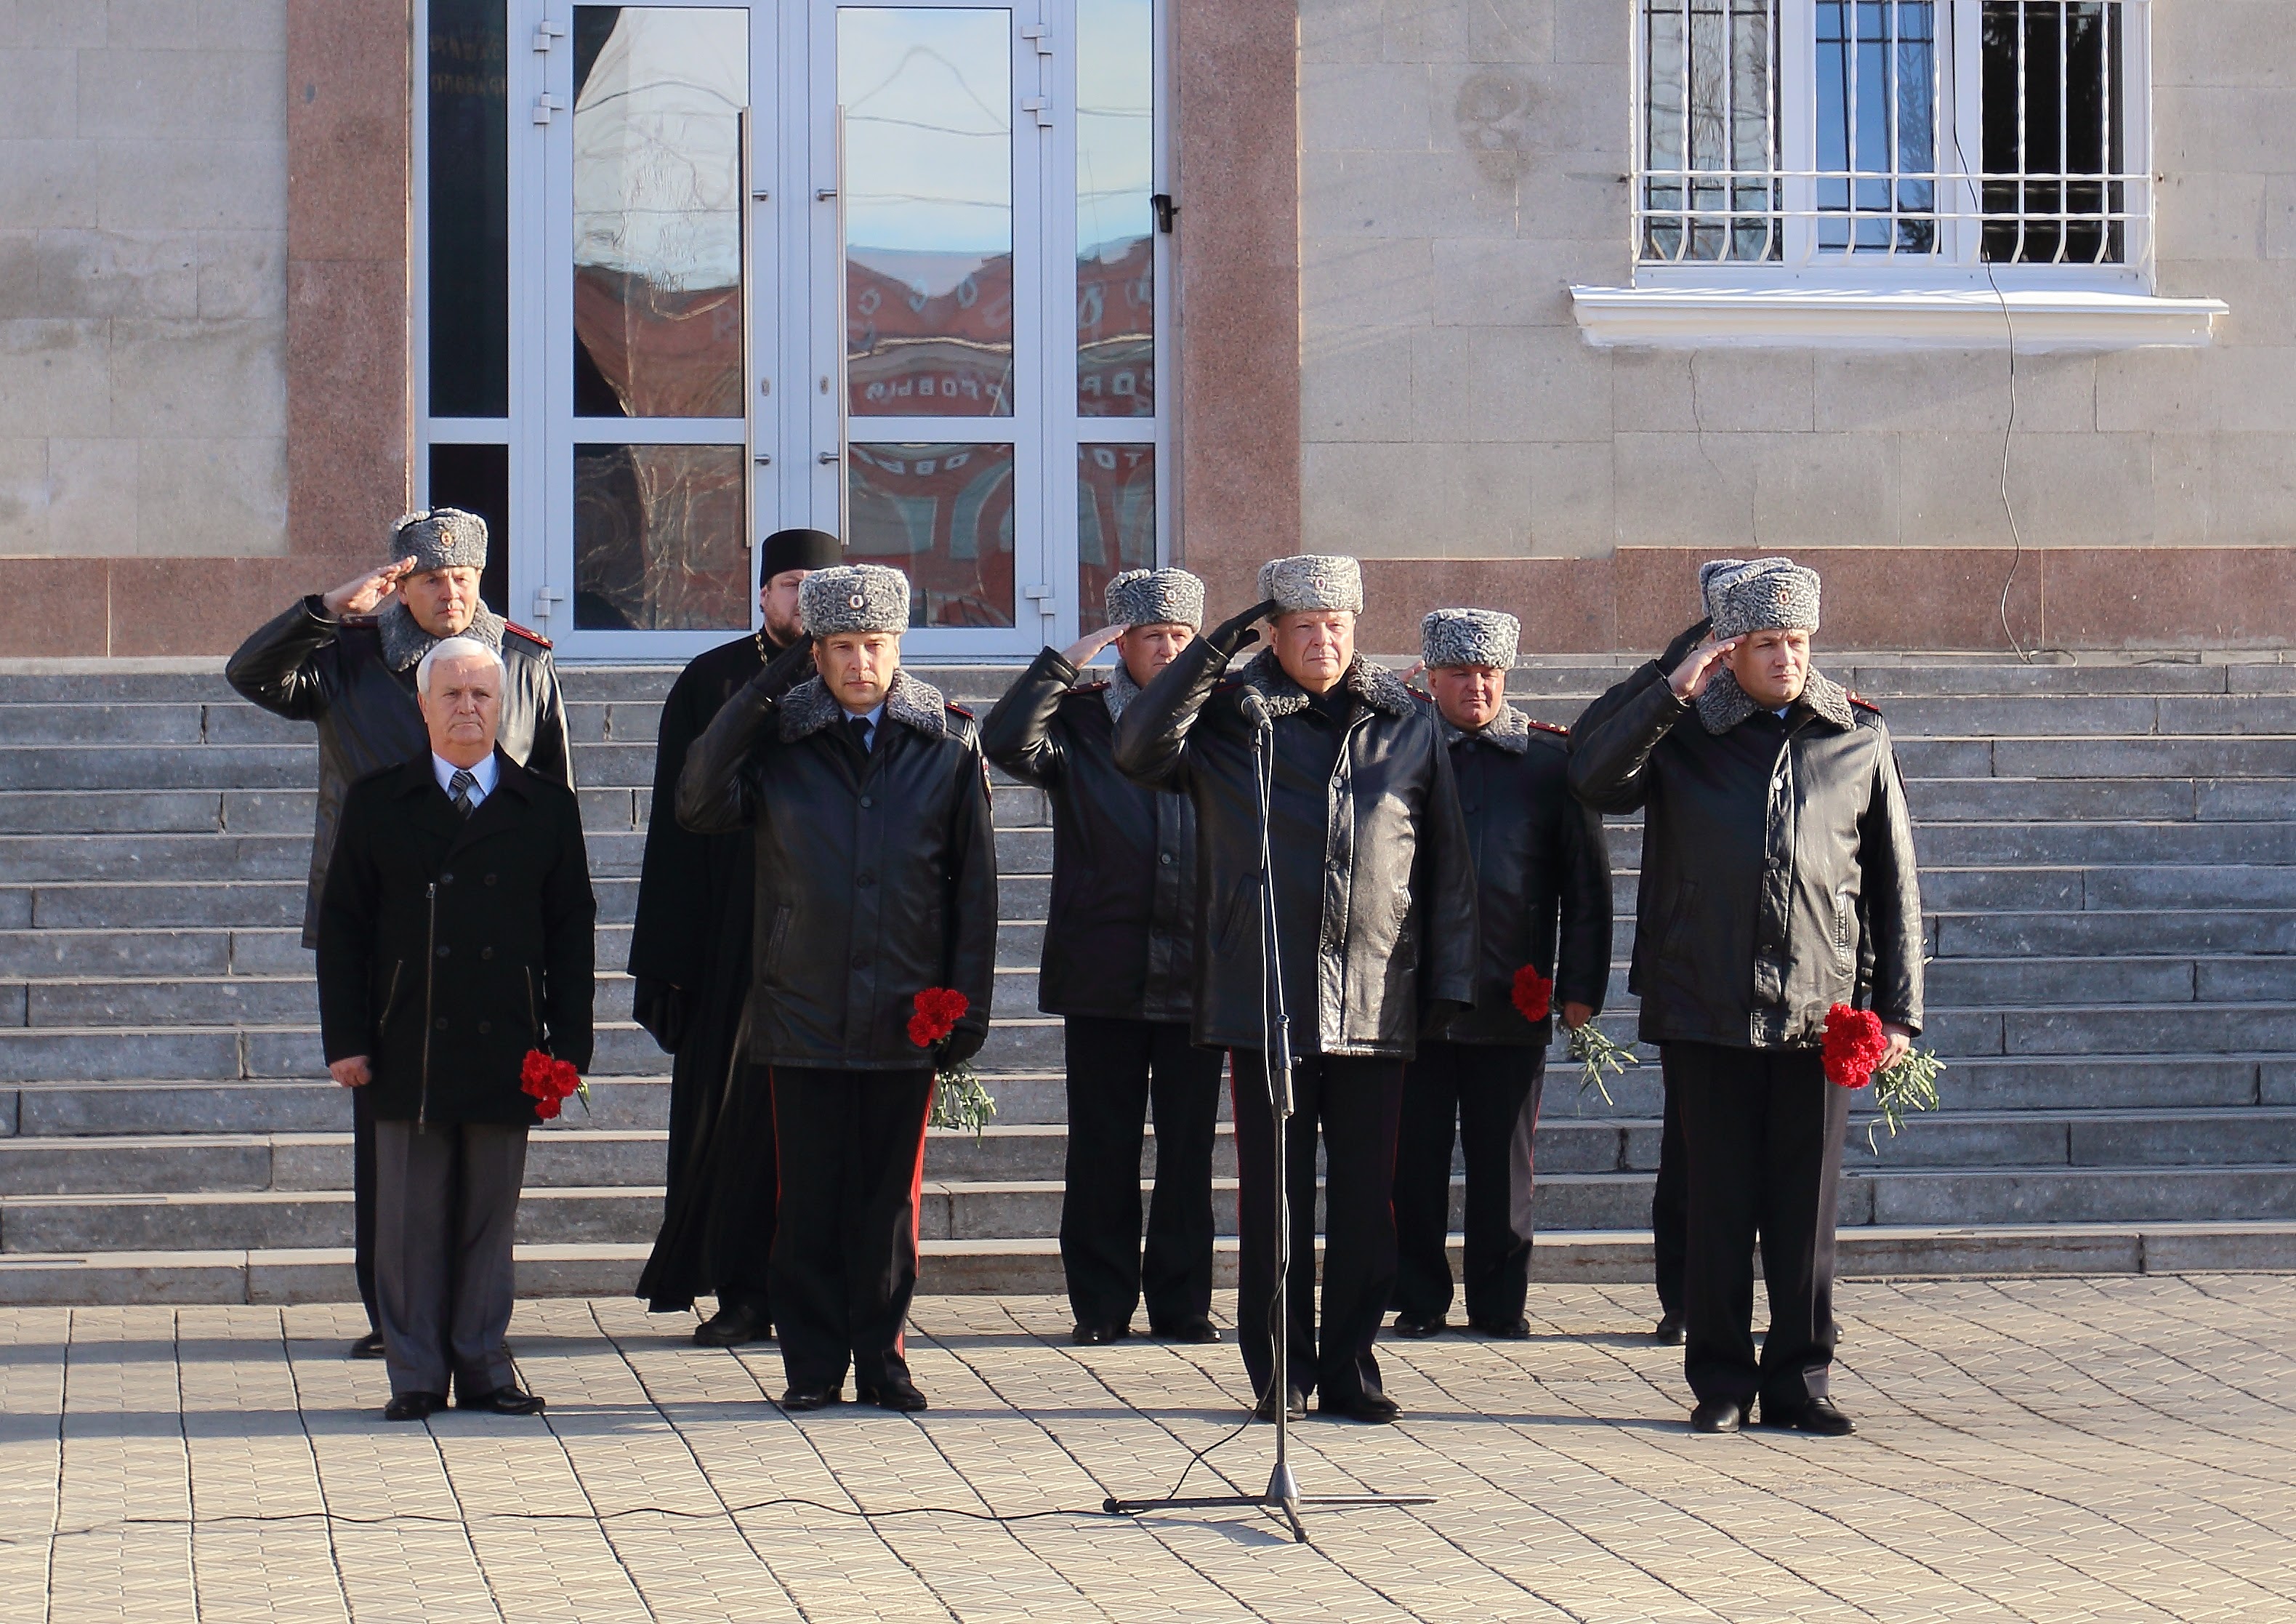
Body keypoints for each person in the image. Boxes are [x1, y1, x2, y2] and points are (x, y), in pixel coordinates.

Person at [1115, 555, 1476, 1425]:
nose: (1324, 640)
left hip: (1374, 992)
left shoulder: (1407, 721)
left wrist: (1451, 982)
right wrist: (1212, 651)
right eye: (1304, 625)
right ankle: (1280, 1370)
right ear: (1272, 635)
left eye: (1337, 624)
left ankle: (1350, 1366)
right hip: (1264, 993)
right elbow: (1135, 748)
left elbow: (1447, 862)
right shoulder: (1230, 716)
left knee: (1364, 1200)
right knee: (1274, 1199)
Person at [1569, 558, 1923, 1437]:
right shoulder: (1685, 731)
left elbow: (1894, 883)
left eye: (1797, 640)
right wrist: (1671, 687)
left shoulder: (1857, 736)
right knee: (1719, 1205)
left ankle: (1802, 1379)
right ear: (1730, 650)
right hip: (1706, 1002)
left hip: (1819, 1012)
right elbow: (1591, 778)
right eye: (1766, 642)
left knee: (1805, 1214)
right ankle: (1722, 1379)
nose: (1786, 658)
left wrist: (1898, 1010)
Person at [227, 510, 571, 1360]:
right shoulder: (347, 657)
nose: (450, 591)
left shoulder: (521, 662)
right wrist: (323, 610)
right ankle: (398, 1317)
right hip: (387, 932)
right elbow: (249, 673)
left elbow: (551, 791)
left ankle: (471, 1322)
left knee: (484, 1138)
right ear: (400, 584)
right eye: (430, 578)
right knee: (392, 1142)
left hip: (492, 933)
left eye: (463, 577)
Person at [677, 564, 997, 1413]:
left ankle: (884, 1359)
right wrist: (764, 691)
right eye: (842, 646)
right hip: (802, 1004)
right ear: (814, 653)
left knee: (889, 1203)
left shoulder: (947, 741)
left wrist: (966, 1006)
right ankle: (813, 1364)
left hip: (905, 1011)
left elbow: (974, 889)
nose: (861, 662)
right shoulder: (781, 736)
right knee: (809, 1198)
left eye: (875, 644)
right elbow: (699, 800)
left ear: (899, 647)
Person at [315, 637, 595, 1421]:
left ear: (501, 705)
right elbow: (343, 928)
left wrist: (570, 1046)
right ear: (423, 705)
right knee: (408, 1221)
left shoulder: (545, 805)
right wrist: (346, 1038)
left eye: (481, 695)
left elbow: (572, 931)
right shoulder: (378, 800)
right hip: (407, 1040)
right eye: (452, 694)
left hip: (509, 1042)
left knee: (486, 1221)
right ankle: (414, 1372)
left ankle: (482, 1364)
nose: (467, 708)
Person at [980, 568, 1222, 1348]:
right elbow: (1003, 742)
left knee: (1187, 1151)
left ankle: (1183, 1304)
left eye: (1181, 636)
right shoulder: (1081, 721)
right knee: (1102, 1146)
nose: (1169, 649)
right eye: (1153, 636)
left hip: (1202, 971)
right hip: (1103, 965)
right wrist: (1061, 664)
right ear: (1122, 645)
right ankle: (1101, 1304)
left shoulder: (1224, 717)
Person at [632, 527, 843, 1344]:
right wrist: (673, 959)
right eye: (791, 585)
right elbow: (675, 822)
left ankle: (822, 1291)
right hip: (733, 935)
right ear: (763, 595)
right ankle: (743, 1289)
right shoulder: (713, 678)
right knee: (735, 1124)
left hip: (832, 937)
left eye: (819, 588)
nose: (804, 602)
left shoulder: (860, 680)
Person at [1390, 609, 1611, 1341]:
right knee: (1413, 1160)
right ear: (1431, 677)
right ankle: (1419, 1296)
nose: (1476, 687)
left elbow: (1586, 885)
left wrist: (1580, 987)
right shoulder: (1400, 748)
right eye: (1459, 673)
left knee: (1504, 1164)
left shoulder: (1550, 761)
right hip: (1416, 996)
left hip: (1512, 994)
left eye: (1488, 673)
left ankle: (1499, 1301)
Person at [1568, 613, 1711, 1347]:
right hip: (1692, 977)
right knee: (1691, 1157)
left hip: (1794, 980)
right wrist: (1667, 679)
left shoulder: (1824, 723)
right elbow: (1589, 766)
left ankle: (1790, 1304)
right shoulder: (1671, 720)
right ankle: (1685, 1300)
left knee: (1788, 1166)